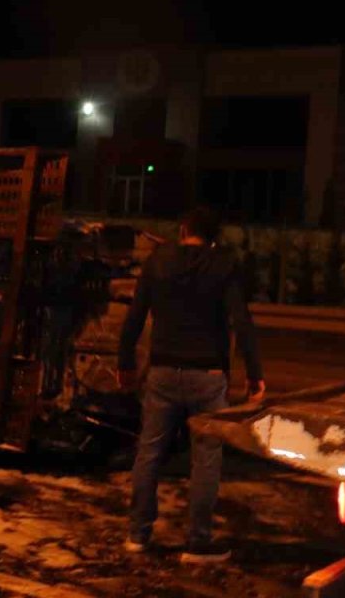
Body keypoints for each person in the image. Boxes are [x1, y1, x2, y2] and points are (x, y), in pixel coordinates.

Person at [119, 206, 265, 564]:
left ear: (184, 229)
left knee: (149, 452)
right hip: (208, 375)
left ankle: (138, 535)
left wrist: (125, 362)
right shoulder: (225, 265)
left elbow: (135, 315)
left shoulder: (157, 262)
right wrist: (254, 372)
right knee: (206, 459)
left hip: (163, 371)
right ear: (214, 235)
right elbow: (241, 321)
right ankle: (198, 543)